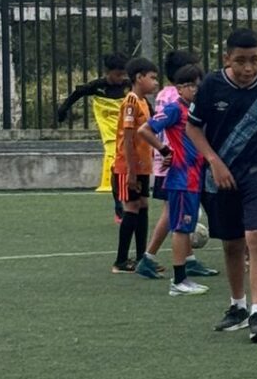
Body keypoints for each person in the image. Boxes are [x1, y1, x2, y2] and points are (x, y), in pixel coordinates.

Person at [187, 28, 257, 343]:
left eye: (255, 60)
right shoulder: (212, 85)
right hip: (221, 175)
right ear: (227, 59)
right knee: (232, 242)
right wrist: (214, 161)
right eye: (241, 61)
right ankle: (238, 306)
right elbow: (193, 129)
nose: (248, 68)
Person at [139, 50, 217, 279]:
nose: (197, 88)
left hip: (182, 166)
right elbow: (153, 128)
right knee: (174, 216)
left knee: (181, 217)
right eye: (193, 84)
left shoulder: (168, 94)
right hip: (176, 166)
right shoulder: (175, 101)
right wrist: (166, 150)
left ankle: (187, 261)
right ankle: (153, 260)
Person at [110, 57, 160, 277]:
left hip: (142, 166)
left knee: (143, 205)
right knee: (131, 207)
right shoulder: (130, 101)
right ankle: (121, 260)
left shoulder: (143, 102)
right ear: (139, 78)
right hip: (128, 166)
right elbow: (128, 138)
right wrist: (130, 170)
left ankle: (142, 258)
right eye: (152, 78)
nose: (155, 82)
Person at [56, 53, 130, 196]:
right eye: (118, 75)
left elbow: (142, 101)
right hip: (109, 127)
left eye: (123, 75)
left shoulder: (128, 86)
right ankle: (110, 184)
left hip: (127, 126)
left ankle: (123, 182)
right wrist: (63, 109)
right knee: (112, 151)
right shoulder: (97, 86)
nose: (121, 78)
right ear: (107, 72)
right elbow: (77, 93)